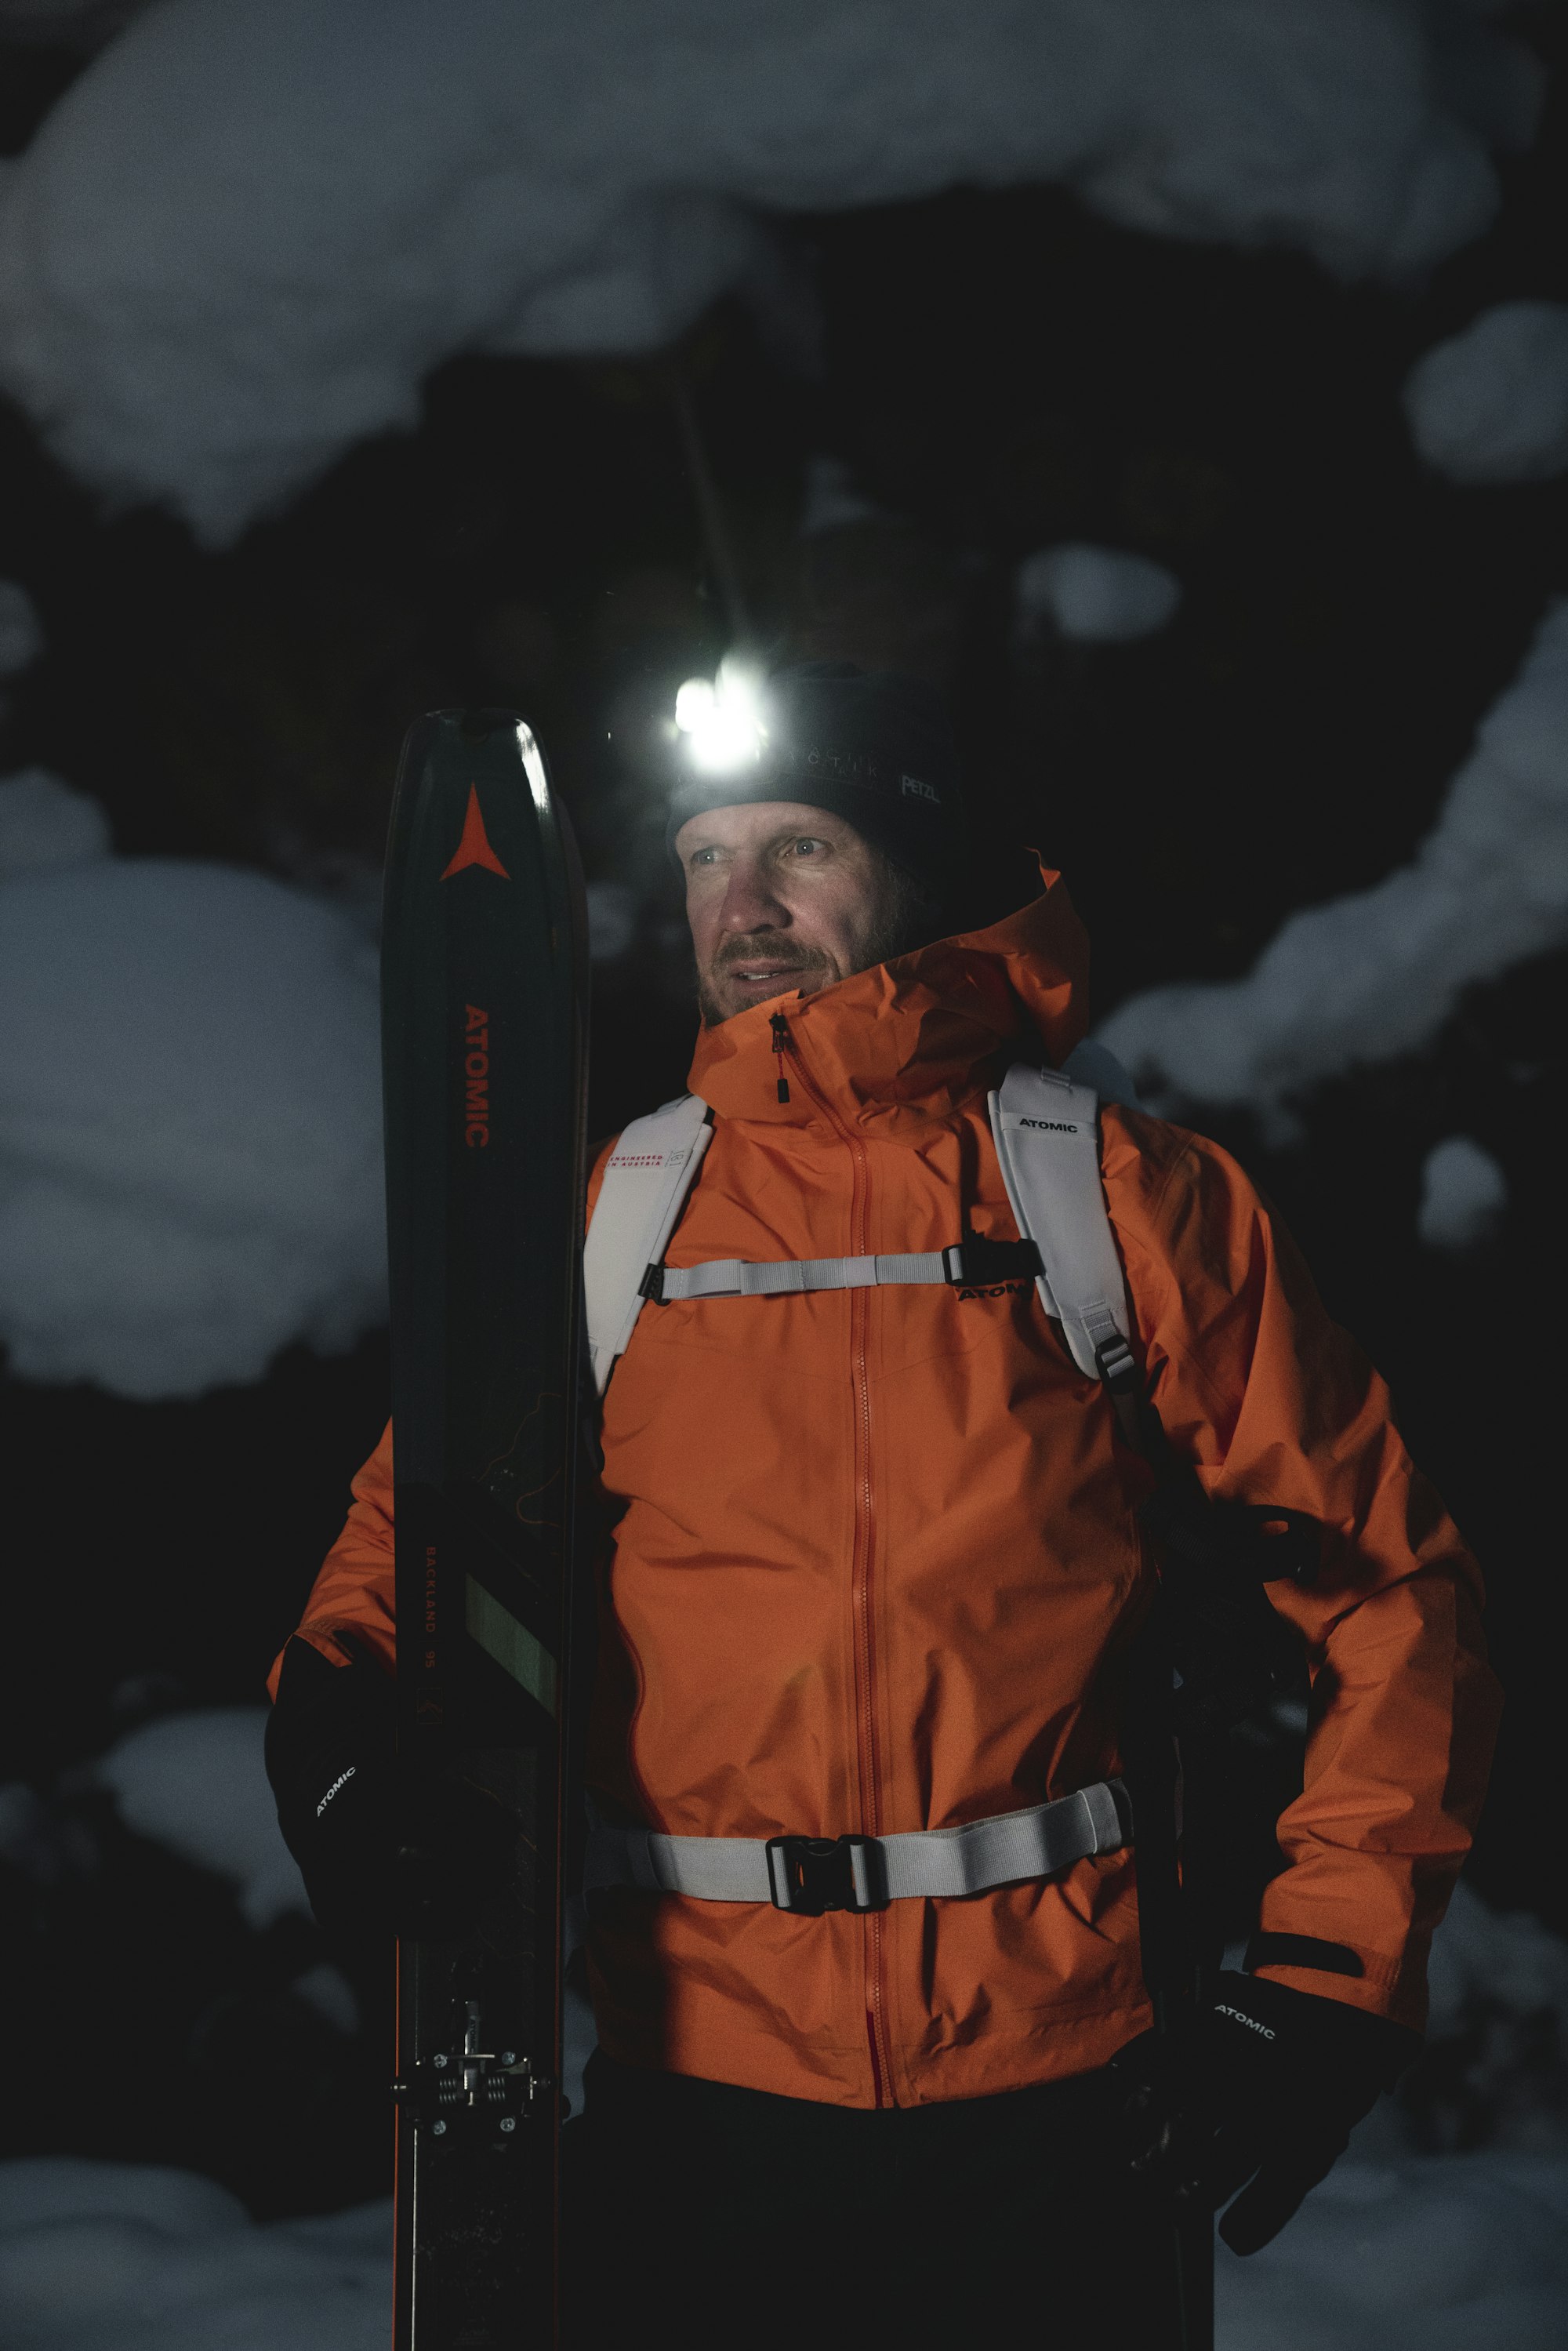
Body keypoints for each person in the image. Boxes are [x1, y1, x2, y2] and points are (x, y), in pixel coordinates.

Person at [266, 662, 1498, 2348]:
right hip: (697, 2109)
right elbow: (403, 1545)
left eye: (801, 846)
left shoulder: (1112, 1199)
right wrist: (337, 1721)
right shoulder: (617, 1219)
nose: (744, 905)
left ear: (910, 870)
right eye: (706, 856)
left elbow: (1393, 1592)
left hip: (1063, 2112)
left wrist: (1332, 1977)